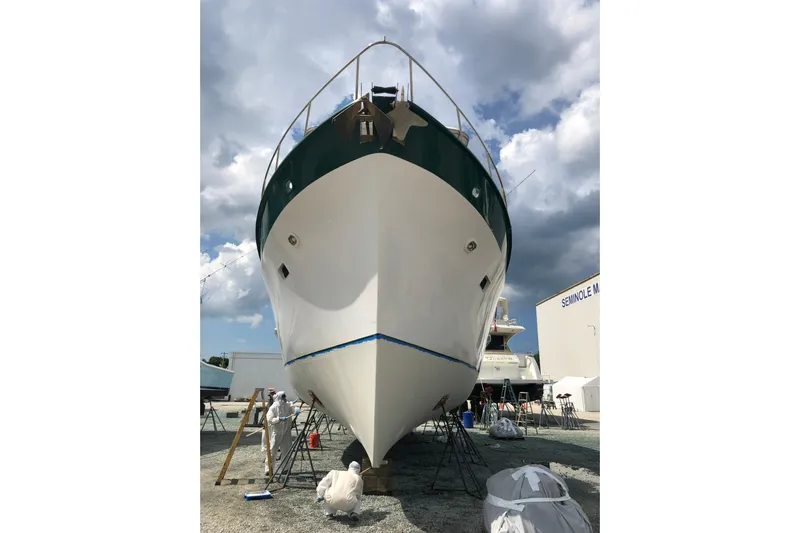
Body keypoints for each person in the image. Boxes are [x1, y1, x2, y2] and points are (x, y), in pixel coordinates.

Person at [265, 391, 293, 475]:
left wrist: (295, 408)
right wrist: (278, 419)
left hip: (286, 432)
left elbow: (293, 411)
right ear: (279, 398)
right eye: (283, 397)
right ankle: (268, 468)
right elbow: (269, 419)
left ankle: (286, 468)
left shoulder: (287, 405)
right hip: (276, 432)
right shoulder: (273, 407)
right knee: (272, 450)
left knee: (286, 450)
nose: (285, 398)